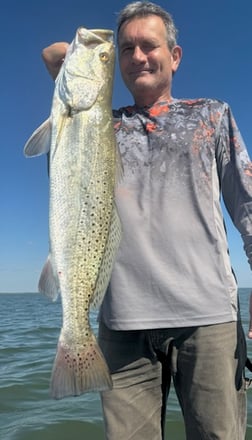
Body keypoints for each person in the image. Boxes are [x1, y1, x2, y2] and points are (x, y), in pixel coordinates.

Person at [41, 2, 252, 439]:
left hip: (208, 320)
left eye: (149, 45)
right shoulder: (101, 126)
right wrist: (80, 61)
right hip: (122, 328)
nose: (137, 56)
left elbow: (249, 209)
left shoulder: (211, 116)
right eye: (125, 49)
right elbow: (54, 57)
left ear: (174, 56)